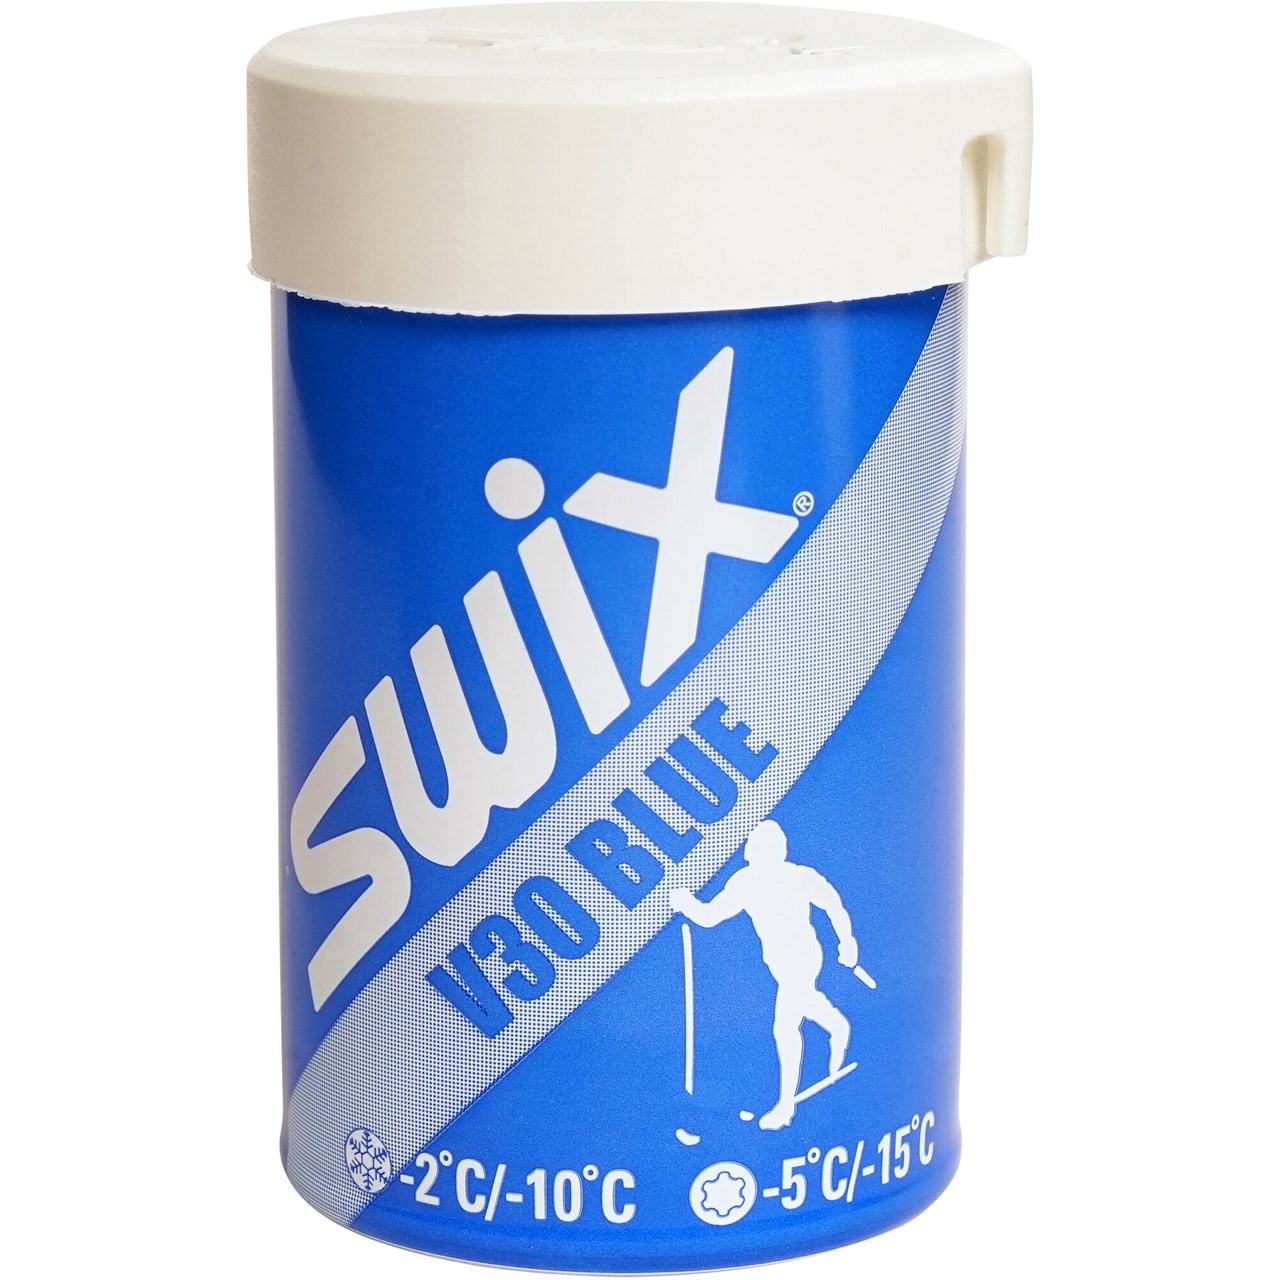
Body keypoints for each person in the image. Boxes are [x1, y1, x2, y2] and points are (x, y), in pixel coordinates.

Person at [670, 819, 860, 1130]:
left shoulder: (797, 877)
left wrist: (847, 941)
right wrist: (686, 904)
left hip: (804, 957)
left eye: (770, 847)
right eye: (759, 847)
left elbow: (832, 904)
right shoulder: (746, 882)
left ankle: (785, 1106)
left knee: (785, 1027)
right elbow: (710, 916)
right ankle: (836, 1024)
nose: (764, 853)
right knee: (804, 1003)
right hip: (780, 962)